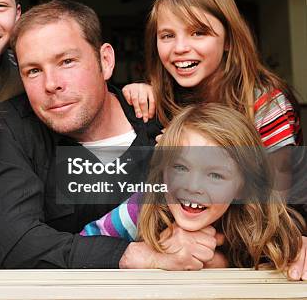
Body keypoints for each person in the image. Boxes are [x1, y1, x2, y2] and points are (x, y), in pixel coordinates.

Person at [0, 0, 225, 270]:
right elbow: (13, 242)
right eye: (33, 71)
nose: (51, 84)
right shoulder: (11, 127)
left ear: (105, 61)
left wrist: (213, 254)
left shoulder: (168, 122)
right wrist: (136, 254)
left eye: (67, 61)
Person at [81, 103, 305, 276]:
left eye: (215, 175)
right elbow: (85, 247)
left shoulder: (260, 222)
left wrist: (298, 250)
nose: (193, 186)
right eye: (180, 167)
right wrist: (150, 251)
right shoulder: (141, 207)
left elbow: (287, 252)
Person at [122, 0, 302, 148]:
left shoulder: (265, 105)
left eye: (198, 33)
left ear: (229, 40)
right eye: (168, 35)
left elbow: (277, 180)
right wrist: (142, 94)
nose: (180, 48)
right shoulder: (163, 101)